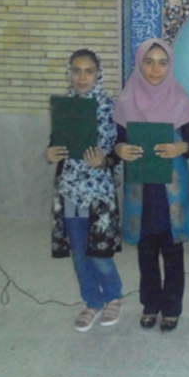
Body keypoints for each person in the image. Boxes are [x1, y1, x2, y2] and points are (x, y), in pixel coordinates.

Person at [113, 38, 189, 332]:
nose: (155, 69)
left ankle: (172, 307)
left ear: (170, 66)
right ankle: (150, 304)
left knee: (173, 251)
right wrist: (120, 150)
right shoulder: (127, 101)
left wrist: (180, 147)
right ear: (139, 64)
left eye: (162, 63)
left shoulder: (181, 100)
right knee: (146, 251)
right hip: (142, 192)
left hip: (171, 191)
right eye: (149, 62)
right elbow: (117, 142)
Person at [47, 48, 124, 332]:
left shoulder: (112, 108)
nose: (82, 77)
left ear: (98, 74)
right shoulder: (65, 107)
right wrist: (50, 153)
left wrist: (104, 162)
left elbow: (119, 151)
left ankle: (114, 297)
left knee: (99, 253)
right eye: (76, 71)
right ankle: (92, 301)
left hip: (99, 192)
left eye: (89, 71)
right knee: (79, 251)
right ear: (70, 73)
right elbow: (56, 142)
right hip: (71, 191)